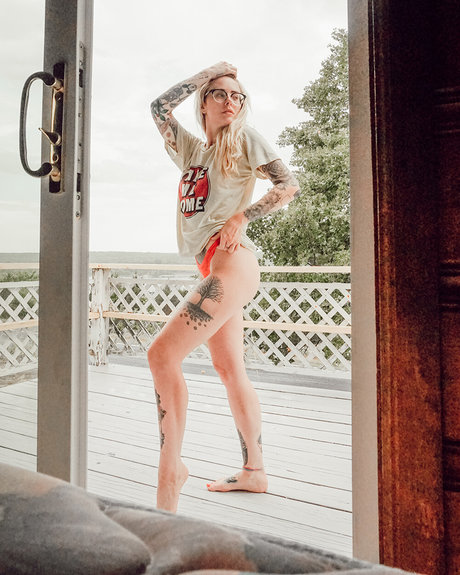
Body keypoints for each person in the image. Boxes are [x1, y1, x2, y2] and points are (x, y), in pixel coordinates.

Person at [149, 62, 300, 513]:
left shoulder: (244, 139)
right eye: (220, 94)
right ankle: (255, 471)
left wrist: (241, 216)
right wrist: (210, 72)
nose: (231, 100)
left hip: (233, 262)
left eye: (237, 95)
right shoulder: (192, 151)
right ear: (203, 103)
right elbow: (158, 108)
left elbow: (288, 184)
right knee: (229, 368)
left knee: (161, 355)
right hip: (211, 266)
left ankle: (170, 470)